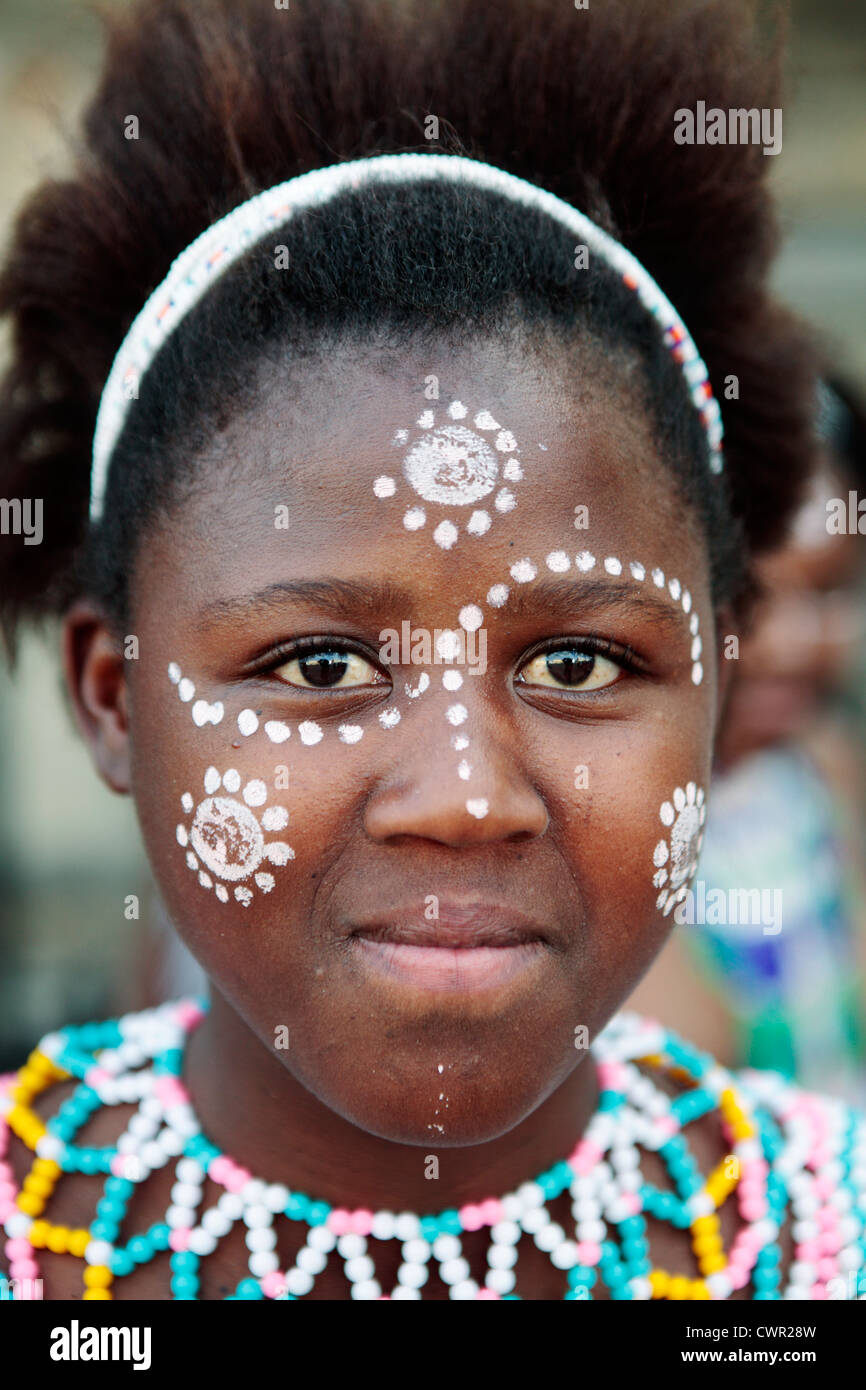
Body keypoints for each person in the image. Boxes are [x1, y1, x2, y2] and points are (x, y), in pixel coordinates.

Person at [0, 0, 862, 1302]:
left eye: (576, 663)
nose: (464, 796)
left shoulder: (824, 1240)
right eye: (319, 665)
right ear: (112, 696)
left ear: (719, 686)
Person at [628, 381, 866, 1103]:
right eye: (752, 598)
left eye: (831, 592)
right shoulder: (619, 828)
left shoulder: (824, 774)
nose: (793, 644)